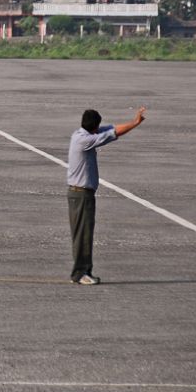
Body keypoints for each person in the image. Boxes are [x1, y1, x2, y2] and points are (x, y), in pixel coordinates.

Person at [67, 106, 146, 284]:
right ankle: (81, 274)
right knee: (83, 234)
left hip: (78, 193)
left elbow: (110, 129)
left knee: (82, 233)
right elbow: (113, 134)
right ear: (94, 127)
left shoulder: (79, 134)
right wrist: (135, 123)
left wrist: (129, 123)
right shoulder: (85, 141)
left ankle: (81, 271)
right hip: (81, 194)